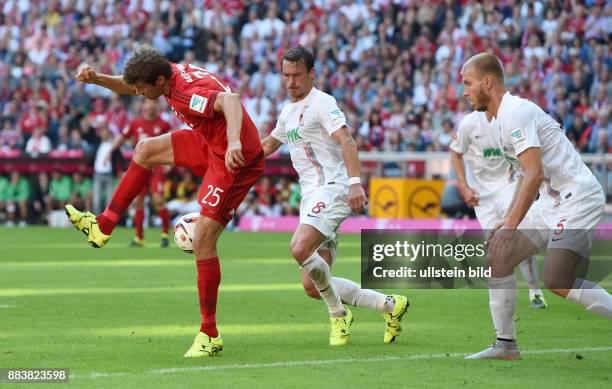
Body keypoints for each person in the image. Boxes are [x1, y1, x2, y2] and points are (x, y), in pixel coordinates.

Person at [65, 45, 264, 358]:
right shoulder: (166, 73)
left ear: (159, 81)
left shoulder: (185, 92)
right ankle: (102, 226)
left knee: (203, 241)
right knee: (144, 149)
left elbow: (230, 100)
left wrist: (235, 141)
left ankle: (209, 334)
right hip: (209, 141)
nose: (139, 93)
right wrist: (97, 79)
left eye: (143, 88)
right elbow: (130, 83)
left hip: (235, 159)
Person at [460, 53, 612, 360]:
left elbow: (535, 172)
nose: (464, 92)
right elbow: (524, 176)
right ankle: (505, 346)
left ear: (487, 82)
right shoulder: (500, 121)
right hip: (551, 201)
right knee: (498, 258)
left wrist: (512, 224)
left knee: (557, 279)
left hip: (577, 196)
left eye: (467, 83)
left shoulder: (515, 112)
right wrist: (507, 221)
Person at [261, 46, 408, 346]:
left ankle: (338, 315)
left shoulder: (323, 103)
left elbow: (346, 139)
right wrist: (232, 154)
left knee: (299, 246)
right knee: (312, 285)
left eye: (297, 75)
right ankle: (389, 305)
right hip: (311, 198)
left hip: (334, 188)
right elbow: (268, 145)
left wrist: (355, 183)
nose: (291, 82)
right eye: (286, 75)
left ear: (311, 74)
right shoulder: (288, 112)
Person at [450, 111, 548, 309]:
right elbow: (456, 153)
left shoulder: (508, 119)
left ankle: (534, 291)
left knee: (519, 235)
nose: (468, 94)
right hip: (482, 198)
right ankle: (502, 301)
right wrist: (463, 186)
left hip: (508, 187)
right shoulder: (469, 123)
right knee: (496, 247)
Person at [110, 99, 172, 247]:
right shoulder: (135, 123)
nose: (150, 106)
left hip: (156, 167)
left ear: (157, 106)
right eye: (148, 103)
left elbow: (172, 142)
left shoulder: (163, 124)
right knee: (138, 201)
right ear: (143, 106)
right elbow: (122, 137)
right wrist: (110, 151)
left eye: (153, 104)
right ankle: (139, 238)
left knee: (158, 200)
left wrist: (170, 163)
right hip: (140, 167)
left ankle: (165, 234)